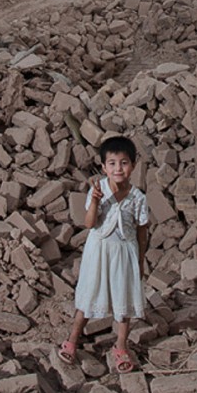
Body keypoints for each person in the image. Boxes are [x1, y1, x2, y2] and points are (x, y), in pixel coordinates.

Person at [59, 136, 149, 373]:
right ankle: (73, 340)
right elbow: (89, 224)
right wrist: (95, 203)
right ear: (103, 167)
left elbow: (142, 231)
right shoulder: (98, 190)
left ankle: (120, 346)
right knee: (90, 295)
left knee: (123, 299)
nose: (118, 169)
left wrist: (140, 261)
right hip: (98, 251)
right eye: (112, 163)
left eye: (124, 163)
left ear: (133, 165)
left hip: (124, 252)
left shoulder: (138, 198)